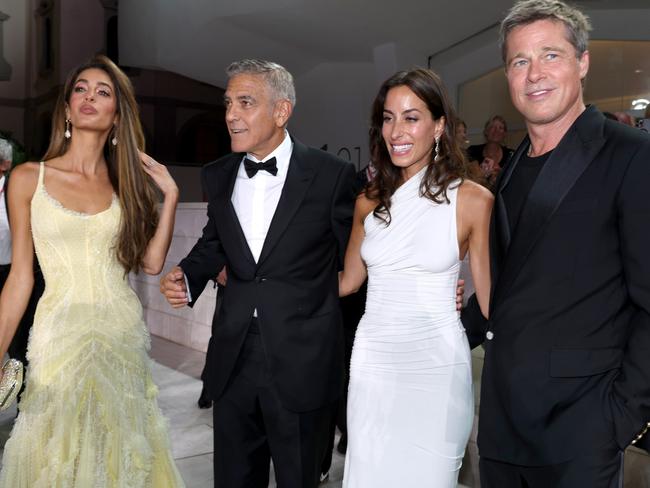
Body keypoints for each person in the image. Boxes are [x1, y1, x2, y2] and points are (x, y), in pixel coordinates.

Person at [474, 1, 650, 487]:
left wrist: (620, 418)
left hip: (579, 433)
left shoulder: (631, 156)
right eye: (519, 61)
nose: (534, 75)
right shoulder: (510, 168)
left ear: (583, 62)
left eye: (550, 55)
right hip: (502, 430)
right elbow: (513, 286)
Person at [159, 59, 357, 488]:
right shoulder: (219, 174)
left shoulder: (332, 175)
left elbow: (355, 262)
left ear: (281, 111)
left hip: (303, 358)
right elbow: (215, 242)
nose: (231, 114)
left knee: (298, 477)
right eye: (228, 103)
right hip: (234, 355)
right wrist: (188, 277)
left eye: (245, 103)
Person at [0, 55, 184, 487]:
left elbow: (152, 263)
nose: (89, 97)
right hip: (57, 335)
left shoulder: (126, 185)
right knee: (56, 453)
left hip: (120, 333)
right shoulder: (28, 178)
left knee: (119, 449)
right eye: (81, 89)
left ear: (116, 116)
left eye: (103, 93)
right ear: (66, 108)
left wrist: (171, 195)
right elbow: (21, 277)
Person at [338, 68, 493, 488]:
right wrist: (271, 274)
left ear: (439, 125)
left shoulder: (473, 201)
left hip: (437, 367)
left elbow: (492, 303)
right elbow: (348, 282)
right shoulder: (367, 203)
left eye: (411, 117)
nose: (396, 130)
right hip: (373, 364)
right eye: (388, 118)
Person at [0, 138, 45, 401]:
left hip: (14, 273)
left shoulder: (19, 191)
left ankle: (20, 404)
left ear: (5, 164)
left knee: (18, 347)